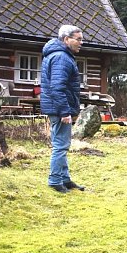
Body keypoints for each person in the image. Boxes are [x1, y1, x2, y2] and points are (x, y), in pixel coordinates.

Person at [40, 25, 86, 193]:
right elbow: (57, 87)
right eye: (78, 39)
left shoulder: (60, 55)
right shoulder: (61, 57)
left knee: (62, 144)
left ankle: (65, 179)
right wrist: (64, 112)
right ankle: (55, 180)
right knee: (60, 146)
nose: (81, 43)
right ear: (66, 39)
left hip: (57, 108)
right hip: (59, 109)